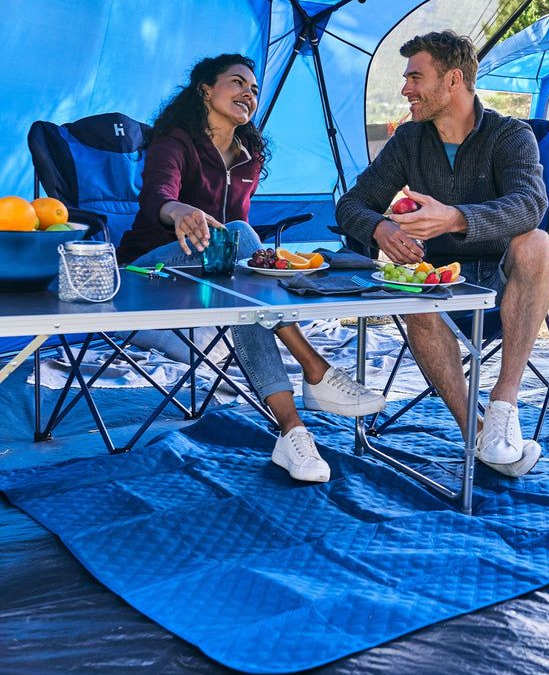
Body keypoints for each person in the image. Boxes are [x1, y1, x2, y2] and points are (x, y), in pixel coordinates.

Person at [118, 54, 385, 483]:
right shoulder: (175, 140)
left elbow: (234, 249)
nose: (249, 93)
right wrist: (180, 210)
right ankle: (315, 371)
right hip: (149, 271)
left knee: (252, 302)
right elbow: (155, 197)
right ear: (205, 89)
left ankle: (293, 433)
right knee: (242, 237)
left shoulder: (249, 157)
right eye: (237, 82)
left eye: (255, 89)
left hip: (216, 276)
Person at [335, 30, 549, 477]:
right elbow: (350, 204)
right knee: (407, 277)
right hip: (435, 283)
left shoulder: (510, 135)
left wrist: (455, 218)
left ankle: (503, 406)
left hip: (501, 280)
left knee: (537, 242)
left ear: (453, 80)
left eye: (416, 77)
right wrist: (379, 228)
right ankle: (476, 433)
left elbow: (530, 204)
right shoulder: (408, 141)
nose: (405, 89)